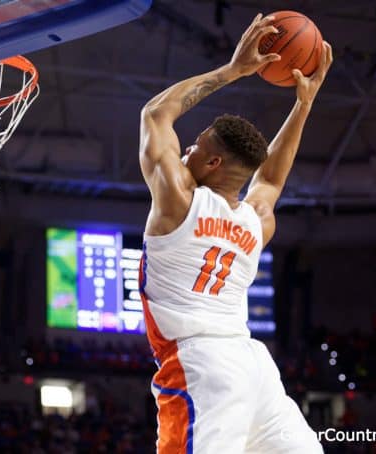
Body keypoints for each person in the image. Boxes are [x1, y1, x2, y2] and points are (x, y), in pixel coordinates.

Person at [138, 13, 332, 454]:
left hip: (199, 365)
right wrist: (303, 105)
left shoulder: (179, 203)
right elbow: (271, 183)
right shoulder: (255, 220)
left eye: (197, 145)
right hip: (253, 368)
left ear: (212, 165)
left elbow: (155, 113)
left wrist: (235, 69)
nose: (187, 147)